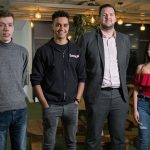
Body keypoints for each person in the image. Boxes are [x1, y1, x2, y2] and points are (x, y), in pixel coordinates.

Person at [77, 3, 130, 150]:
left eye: (111, 14)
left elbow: (124, 66)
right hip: (97, 95)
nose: (108, 17)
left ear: (115, 17)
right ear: (99, 18)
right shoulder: (87, 39)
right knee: (93, 138)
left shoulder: (124, 39)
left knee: (119, 139)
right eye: (104, 14)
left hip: (119, 96)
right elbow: (79, 67)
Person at [30, 10, 85, 150]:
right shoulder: (43, 51)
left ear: (68, 27)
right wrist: (45, 104)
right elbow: (35, 80)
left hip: (71, 106)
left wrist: (77, 100)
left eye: (65, 25)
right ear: (52, 27)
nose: (62, 28)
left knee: (71, 143)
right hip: (51, 105)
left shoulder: (76, 50)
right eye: (58, 25)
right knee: (49, 144)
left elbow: (82, 78)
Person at [0, 10, 28, 150]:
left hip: (20, 110)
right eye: (2, 25)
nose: (6, 28)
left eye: (9, 25)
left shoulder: (22, 52)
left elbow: (22, 79)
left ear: (13, 27)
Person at [133, 42, 150, 150]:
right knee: (143, 138)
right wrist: (135, 110)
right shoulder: (140, 67)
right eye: (149, 48)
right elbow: (135, 90)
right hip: (143, 106)